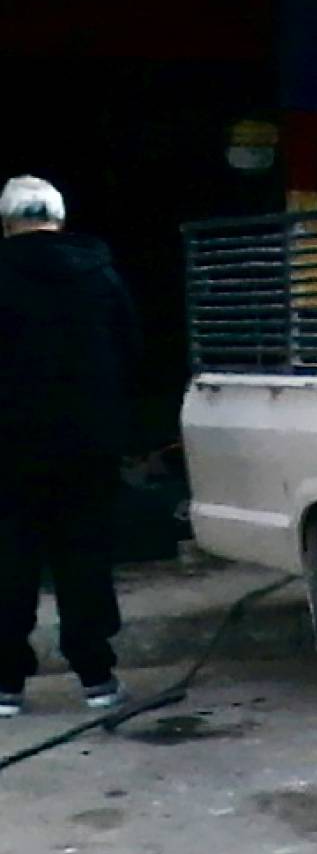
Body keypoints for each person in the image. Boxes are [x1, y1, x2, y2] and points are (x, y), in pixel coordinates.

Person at [0, 177, 138, 718]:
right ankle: (97, 679)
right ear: (59, 217)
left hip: (8, 450)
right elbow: (132, 349)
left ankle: (5, 685)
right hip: (88, 446)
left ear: (7, 223)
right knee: (85, 559)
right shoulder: (100, 275)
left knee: (9, 561)